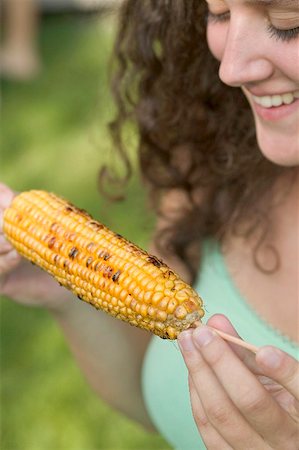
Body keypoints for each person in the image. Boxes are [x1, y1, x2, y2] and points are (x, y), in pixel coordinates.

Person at [1, 0, 298, 448]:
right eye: (218, 13)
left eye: (287, 22)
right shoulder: (214, 158)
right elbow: (164, 399)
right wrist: (63, 295)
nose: (231, 69)